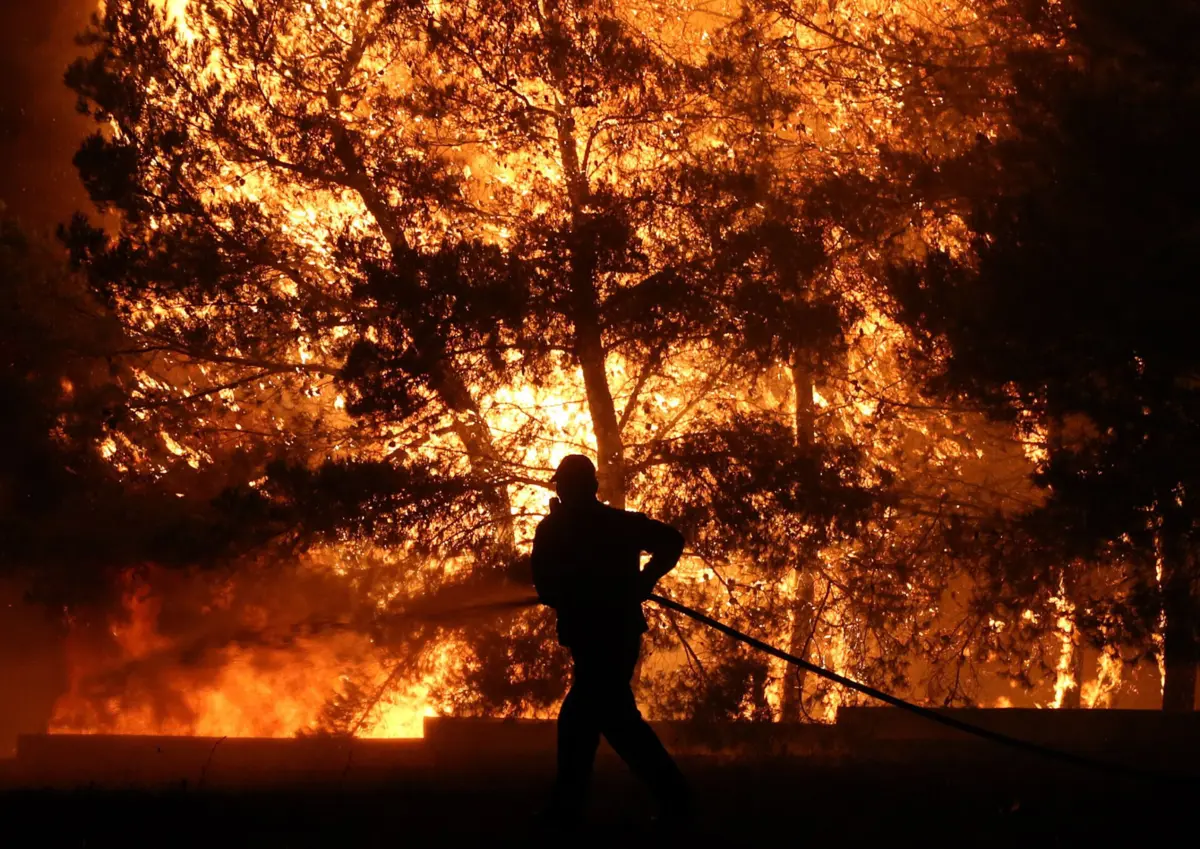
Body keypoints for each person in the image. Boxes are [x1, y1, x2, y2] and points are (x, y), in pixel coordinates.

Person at [530, 453, 692, 825]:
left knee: (587, 722)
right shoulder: (612, 524)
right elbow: (670, 541)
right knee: (609, 722)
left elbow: (547, 587)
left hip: (602, 638)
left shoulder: (565, 529)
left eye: (566, 484)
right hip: (610, 636)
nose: (564, 490)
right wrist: (643, 579)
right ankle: (673, 800)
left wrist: (644, 579)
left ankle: (569, 809)